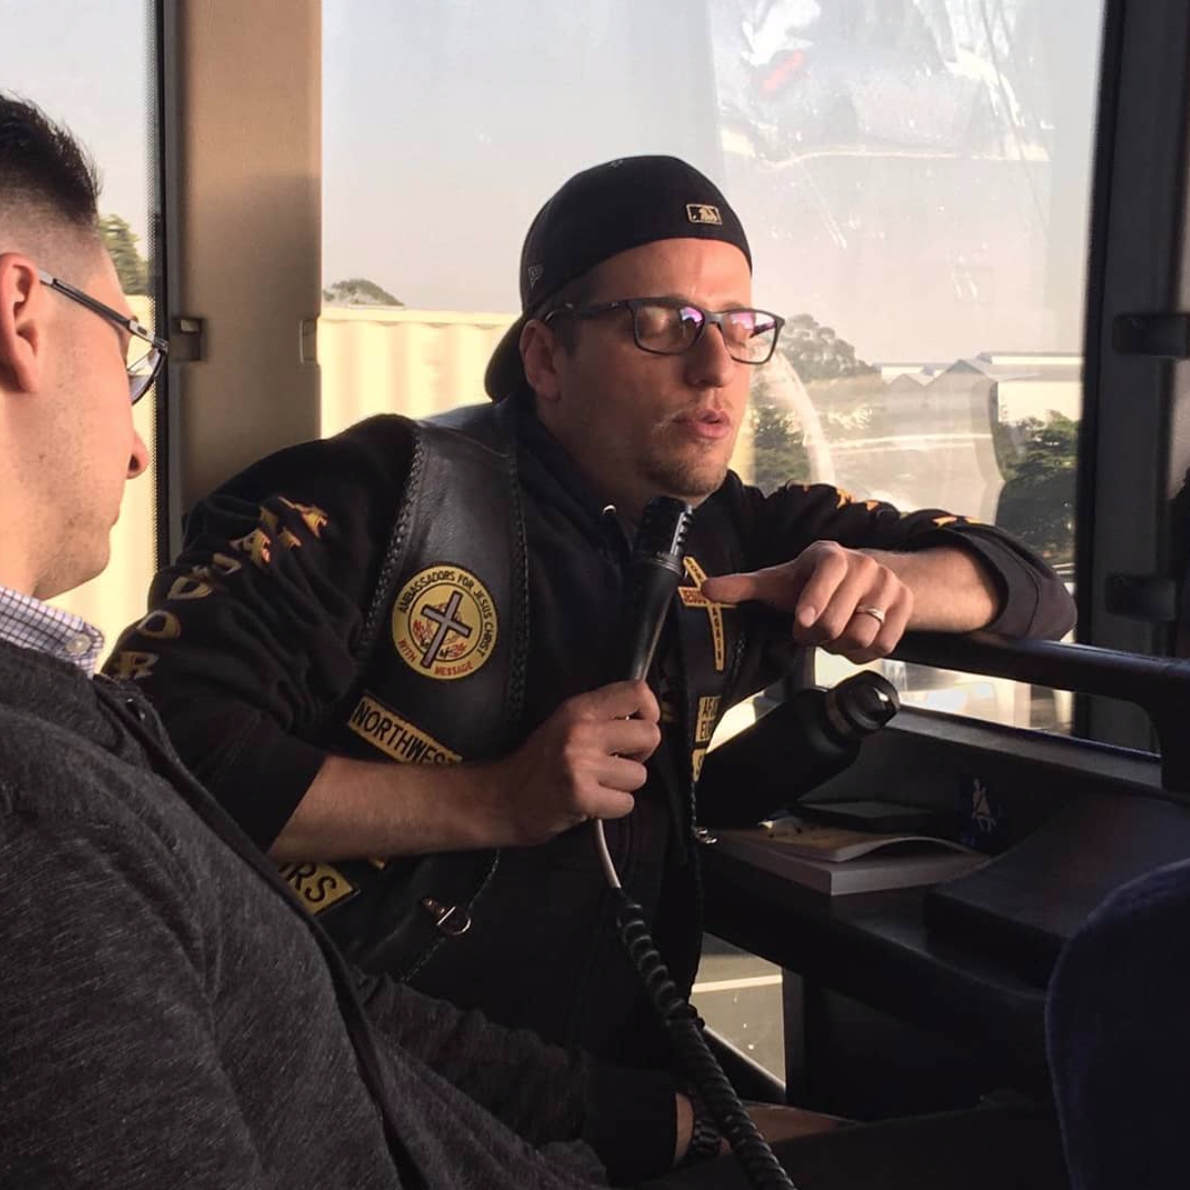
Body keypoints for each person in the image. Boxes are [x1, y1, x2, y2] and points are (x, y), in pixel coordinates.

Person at [109, 154, 1075, 1081]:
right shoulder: (376, 500)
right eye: (663, 323)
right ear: (546, 356)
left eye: (740, 325)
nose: (715, 367)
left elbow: (1031, 586)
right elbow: (146, 752)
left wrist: (881, 578)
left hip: (623, 1078)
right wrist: (496, 800)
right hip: (375, 1084)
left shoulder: (744, 536)